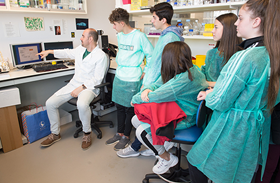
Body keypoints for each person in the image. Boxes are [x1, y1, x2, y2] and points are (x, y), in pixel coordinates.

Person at [186, 0, 280, 182]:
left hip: (233, 126)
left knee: (197, 162)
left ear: (256, 22)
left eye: (240, 18)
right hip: (256, 126)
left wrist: (210, 94)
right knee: (239, 173)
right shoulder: (271, 53)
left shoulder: (244, 57)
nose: (236, 23)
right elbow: (274, 97)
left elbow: (220, 101)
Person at [116, 2, 185, 158]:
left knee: (143, 119)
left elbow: (162, 65)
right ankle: (150, 146)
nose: (152, 20)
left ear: (163, 19)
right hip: (156, 84)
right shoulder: (168, 35)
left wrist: (149, 86)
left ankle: (140, 148)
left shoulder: (170, 37)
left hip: (158, 86)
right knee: (146, 120)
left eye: (154, 17)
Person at [132, 41, 208, 174]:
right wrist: (148, 89)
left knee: (141, 132)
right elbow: (156, 84)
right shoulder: (190, 69)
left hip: (184, 118)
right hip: (179, 110)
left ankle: (167, 158)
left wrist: (135, 99)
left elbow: (155, 96)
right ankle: (160, 147)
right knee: (135, 120)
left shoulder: (183, 80)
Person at [38, 28, 107, 150]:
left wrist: (81, 88)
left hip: (89, 87)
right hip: (74, 84)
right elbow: (66, 53)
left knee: (81, 104)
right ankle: (55, 133)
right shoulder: (81, 50)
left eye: (83, 36)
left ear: (90, 39)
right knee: (50, 103)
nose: (80, 38)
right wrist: (49, 51)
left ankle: (86, 133)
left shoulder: (101, 56)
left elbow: (97, 79)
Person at [105, 8, 154, 151]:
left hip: (133, 76)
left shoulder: (139, 36)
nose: (113, 27)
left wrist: (145, 71)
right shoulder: (119, 35)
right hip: (120, 75)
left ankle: (126, 136)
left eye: (114, 24)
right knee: (119, 106)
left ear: (122, 23)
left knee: (129, 108)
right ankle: (119, 133)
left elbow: (151, 55)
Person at [200, 13, 242, 87]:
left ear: (228, 29)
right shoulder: (211, 53)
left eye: (216, 27)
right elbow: (202, 76)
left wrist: (208, 84)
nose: (212, 31)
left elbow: (234, 84)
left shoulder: (240, 55)